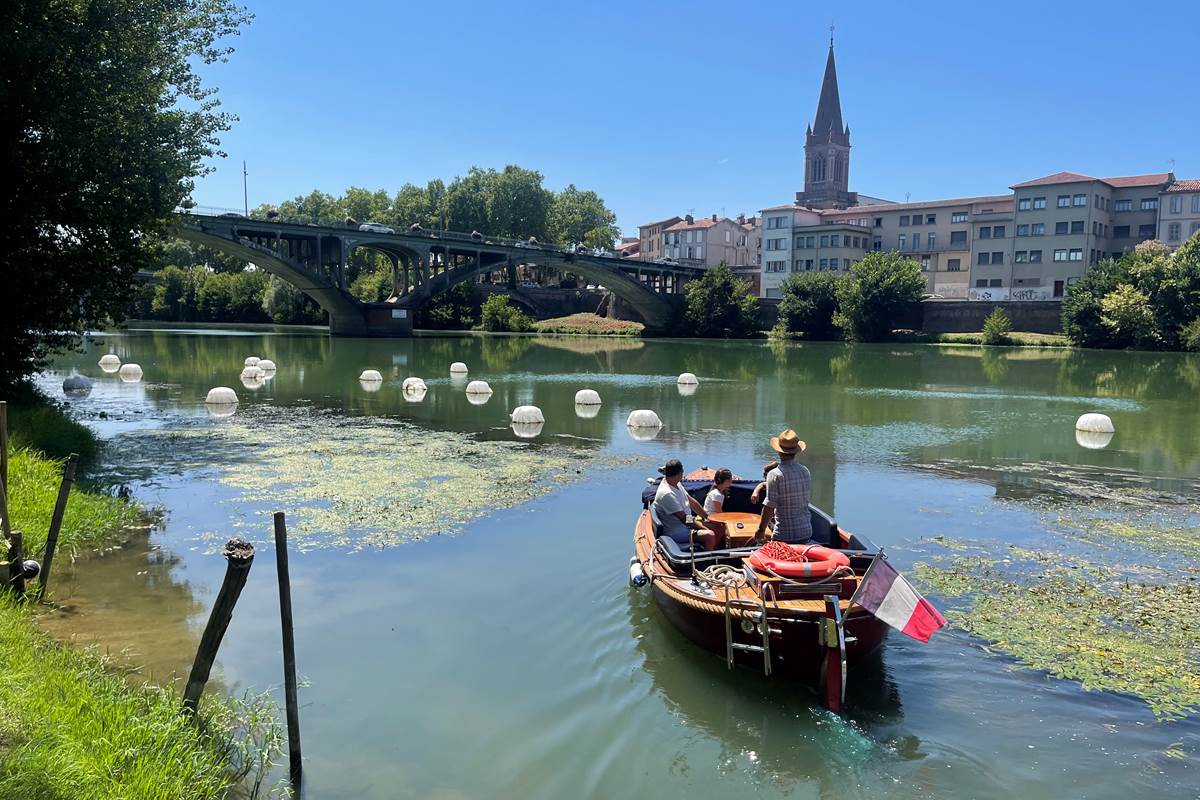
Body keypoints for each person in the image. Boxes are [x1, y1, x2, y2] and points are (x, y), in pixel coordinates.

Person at [755, 430, 813, 544]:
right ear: (796, 451)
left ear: (779, 452)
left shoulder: (774, 474)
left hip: (784, 534)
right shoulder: (805, 471)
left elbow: (769, 507)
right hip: (805, 531)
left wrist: (761, 530)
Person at [653, 459, 720, 551]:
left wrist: (707, 517)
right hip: (676, 532)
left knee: (719, 528)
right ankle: (707, 559)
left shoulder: (676, 483)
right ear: (679, 474)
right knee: (710, 535)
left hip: (686, 524)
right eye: (682, 471)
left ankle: (714, 551)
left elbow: (692, 502)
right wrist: (704, 528)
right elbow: (684, 519)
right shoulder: (667, 494)